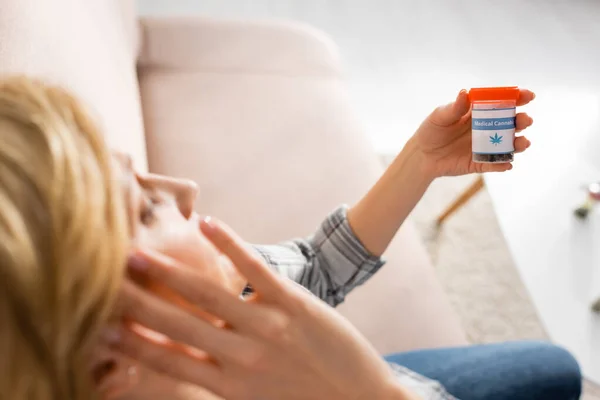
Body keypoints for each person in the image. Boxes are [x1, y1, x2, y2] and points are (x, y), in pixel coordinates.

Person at [0, 76, 581, 400]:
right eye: (147, 207)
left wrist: (419, 163)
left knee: (551, 367)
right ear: (109, 364)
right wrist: (370, 393)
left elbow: (314, 266)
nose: (183, 189)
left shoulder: (212, 313)